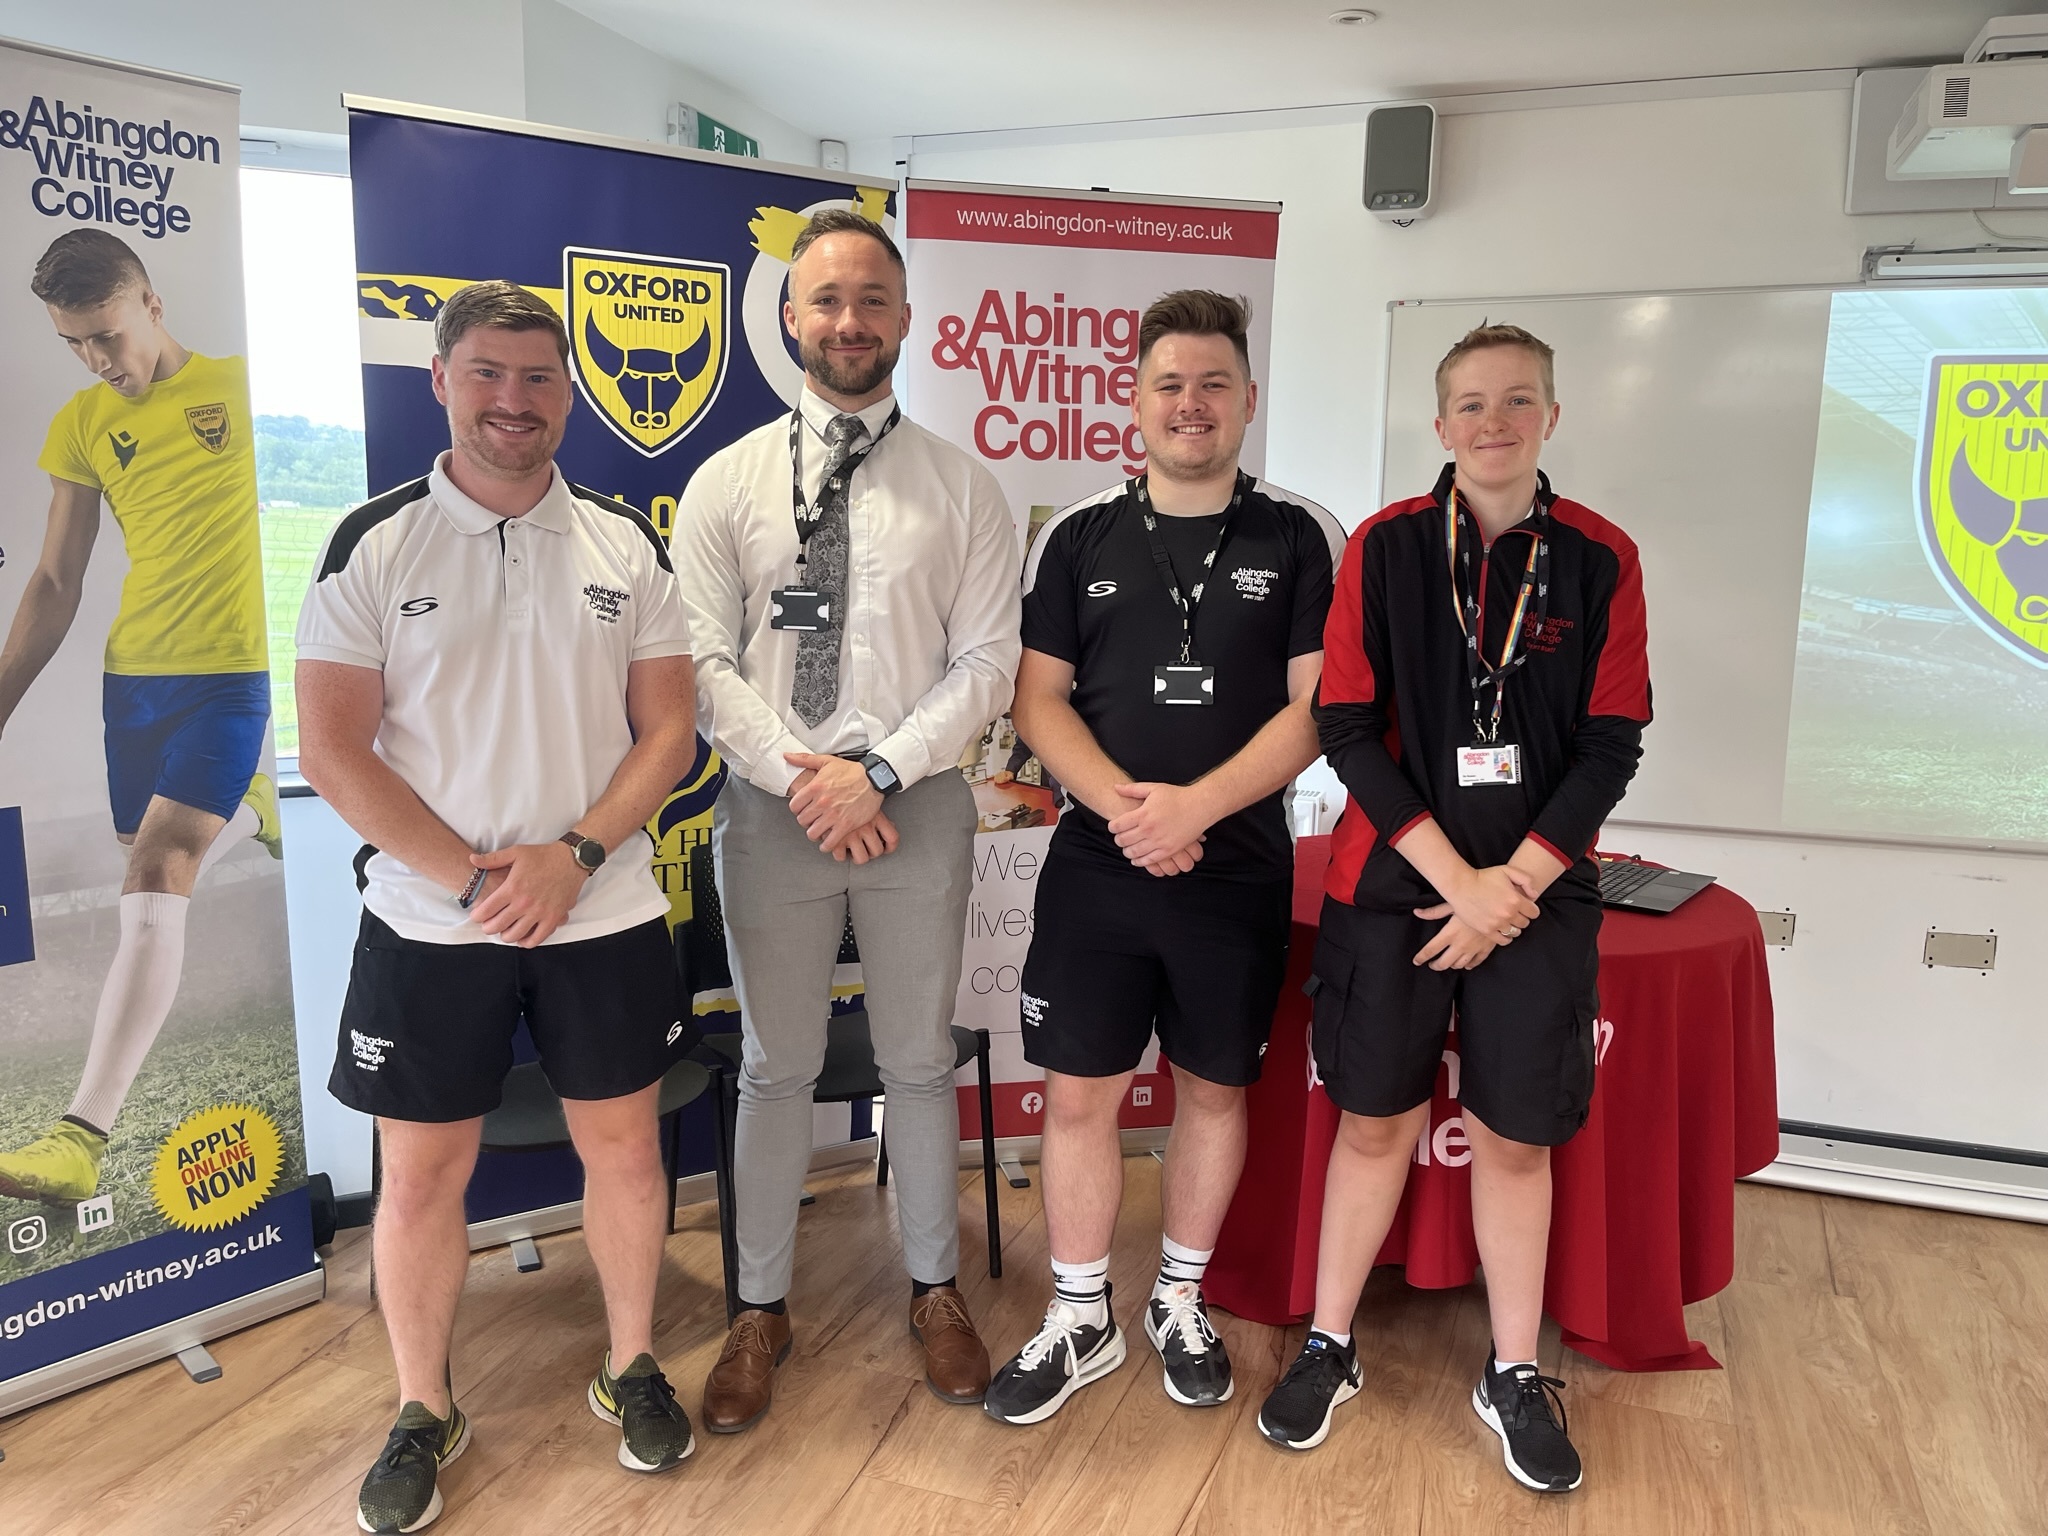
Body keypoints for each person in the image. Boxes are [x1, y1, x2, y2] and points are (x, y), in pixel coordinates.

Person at [295, 282, 702, 1532]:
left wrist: (573, 855)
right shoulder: (373, 538)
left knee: (626, 1151)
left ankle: (629, 1364)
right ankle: (423, 1407)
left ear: (565, 392)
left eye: (535, 379)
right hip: (432, 919)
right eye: (486, 375)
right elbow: (333, 750)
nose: (511, 402)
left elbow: (670, 728)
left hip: (603, 904)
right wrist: (475, 877)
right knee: (420, 1180)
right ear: (441, 380)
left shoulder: (626, 544)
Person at [1256, 324, 1650, 1493]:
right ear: (1438, 427)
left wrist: (1510, 886)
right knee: (1371, 1122)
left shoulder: (1599, 556)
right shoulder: (1379, 549)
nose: (1492, 423)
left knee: (1515, 1141)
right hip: (1393, 890)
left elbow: (1608, 745)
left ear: (1550, 417)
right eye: (1470, 405)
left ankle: (1512, 1369)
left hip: (1537, 894)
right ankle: (1330, 1344)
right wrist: (1459, 885)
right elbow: (1345, 731)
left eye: (1516, 401)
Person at [673, 209, 1019, 1429]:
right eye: (826, 301)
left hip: (915, 806)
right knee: (777, 1068)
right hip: (772, 815)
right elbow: (698, 663)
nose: (848, 322)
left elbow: (986, 662)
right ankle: (757, 1310)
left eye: (871, 299)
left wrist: (873, 776)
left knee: (921, 1062)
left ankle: (935, 1291)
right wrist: (804, 776)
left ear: (906, 319)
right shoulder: (723, 483)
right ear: (789, 318)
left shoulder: (962, 486)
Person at [982, 290, 1343, 1425]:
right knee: (1077, 1092)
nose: (1190, 405)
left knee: (1214, 1090)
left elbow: (1315, 708)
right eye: (1168, 385)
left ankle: (1175, 1298)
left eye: (1212, 384)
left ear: (1246, 399)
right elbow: (1036, 701)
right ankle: (1078, 1312)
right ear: (1130, 401)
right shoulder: (1077, 532)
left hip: (1233, 864)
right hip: (1096, 861)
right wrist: (1128, 811)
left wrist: (1194, 808)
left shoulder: (1299, 533)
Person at [0, 230, 279, 1205]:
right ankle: (255, 812)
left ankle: (81, 1135)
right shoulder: (80, 424)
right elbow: (54, 579)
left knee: (156, 868)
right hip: (135, 683)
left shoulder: (247, 387)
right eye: (73, 343)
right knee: (145, 859)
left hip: (232, 676)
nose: (96, 360)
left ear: (152, 304)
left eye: (106, 335)